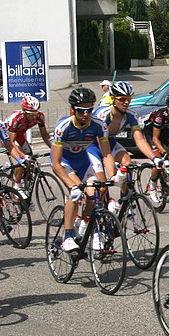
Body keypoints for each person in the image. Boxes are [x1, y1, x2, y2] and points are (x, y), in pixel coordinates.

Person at [50, 87, 115, 254]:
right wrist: (70, 184)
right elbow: (56, 163)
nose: (85, 114)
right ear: (73, 109)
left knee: (95, 192)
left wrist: (114, 175)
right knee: (76, 192)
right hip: (65, 162)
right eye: (81, 110)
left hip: (83, 162)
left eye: (89, 110)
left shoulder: (98, 126)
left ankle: (85, 225)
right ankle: (68, 237)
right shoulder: (63, 127)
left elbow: (106, 153)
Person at [88, 81, 154, 211]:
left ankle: (123, 200)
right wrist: (112, 173)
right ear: (113, 99)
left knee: (127, 162)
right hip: (93, 145)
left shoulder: (131, 115)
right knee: (102, 187)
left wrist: (154, 158)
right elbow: (104, 149)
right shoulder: (103, 115)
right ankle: (97, 219)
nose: (126, 102)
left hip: (109, 141)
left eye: (129, 99)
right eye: (122, 99)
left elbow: (140, 140)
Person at [5, 95, 53, 188]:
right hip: (8, 138)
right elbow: (11, 142)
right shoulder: (16, 118)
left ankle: (26, 184)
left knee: (31, 161)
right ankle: (17, 186)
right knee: (22, 160)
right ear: (24, 112)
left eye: (35, 113)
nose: (34, 116)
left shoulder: (40, 117)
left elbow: (45, 136)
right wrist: (22, 156)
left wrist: (54, 148)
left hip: (20, 136)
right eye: (30, 114)